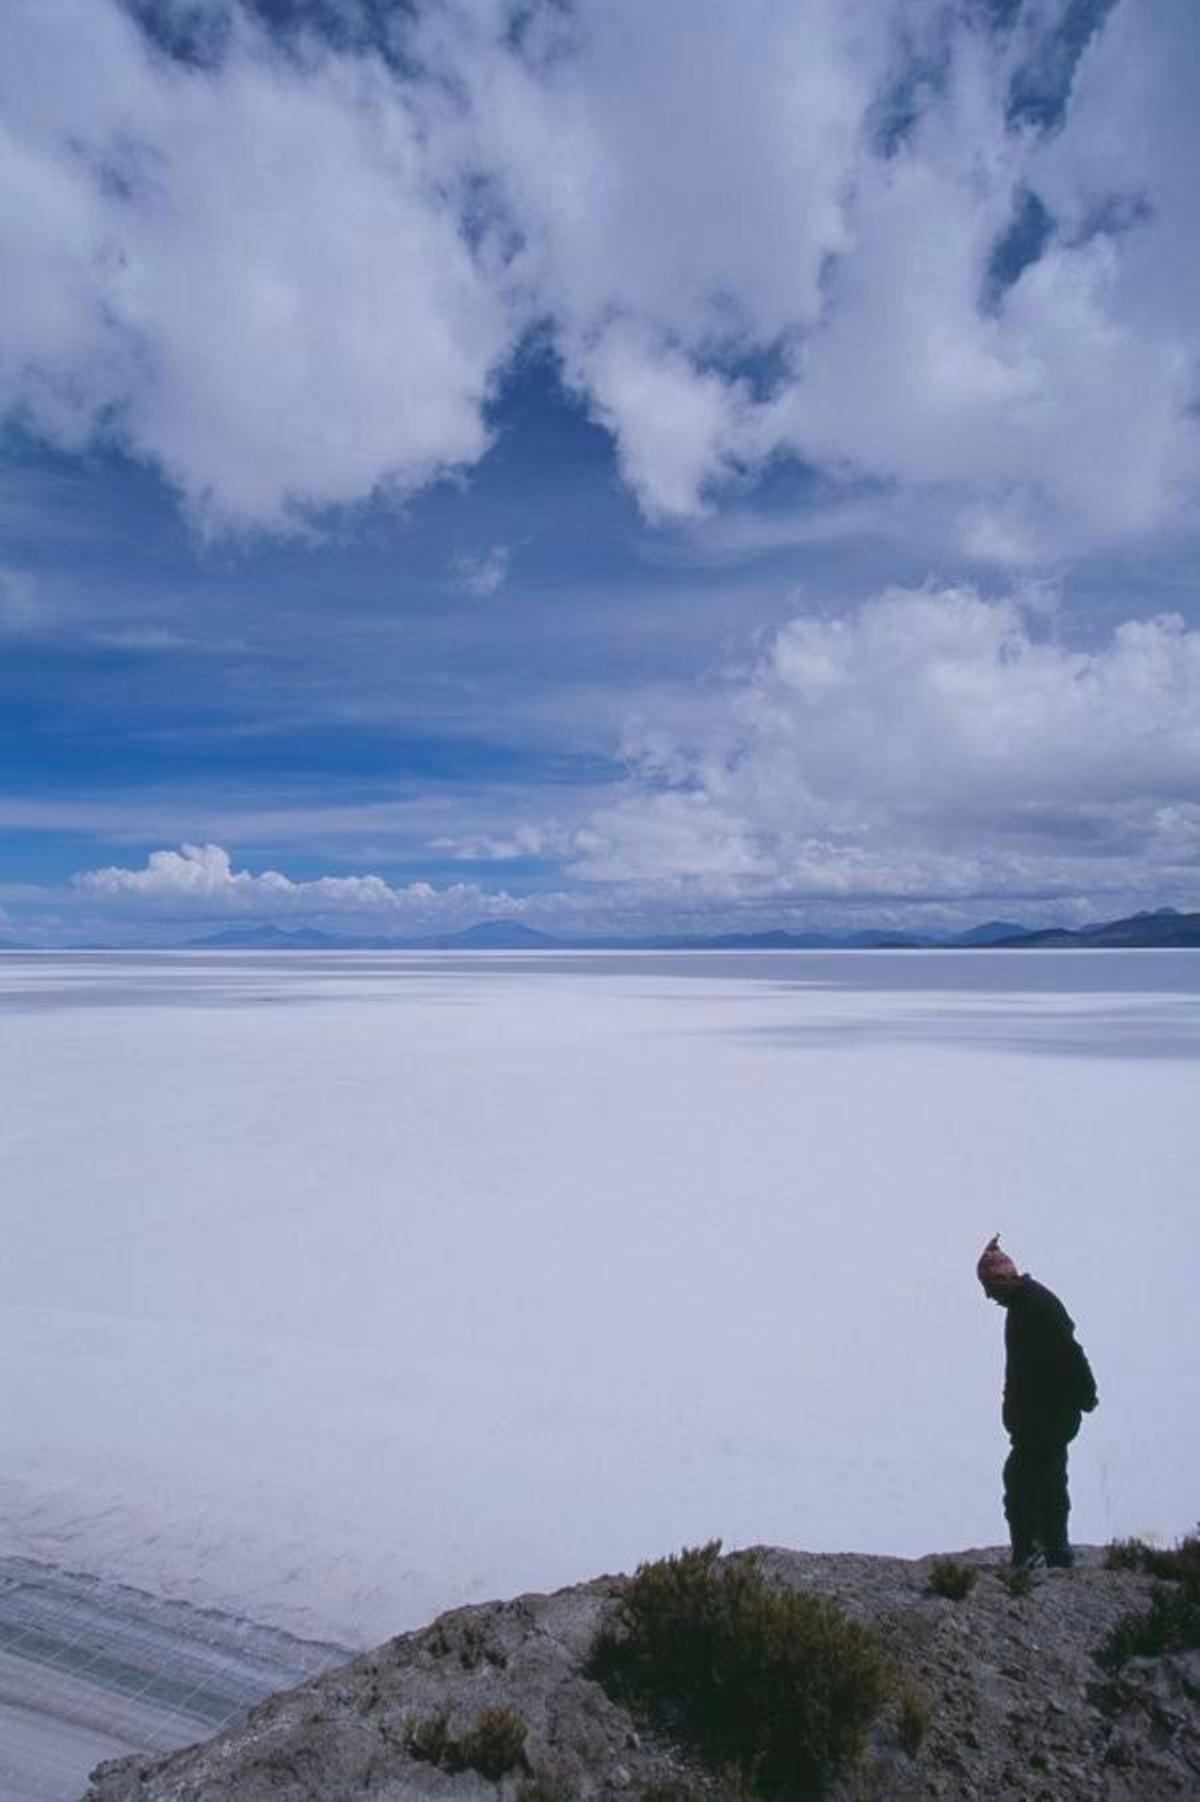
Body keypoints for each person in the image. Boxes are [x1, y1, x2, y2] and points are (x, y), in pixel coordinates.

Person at [976, 1234, 1098, 1569]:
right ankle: (1048, 1550)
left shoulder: (1036, 1307)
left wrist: (1085, 1394)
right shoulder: (1024, 1306)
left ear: (1002, 1280)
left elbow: (1069, 1353)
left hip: (1050, 1415)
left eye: (990, 1287)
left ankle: (1037, 1551)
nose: (988, 1296)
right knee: (1044, 1478)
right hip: (1040, 1415)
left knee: (1027, 1480)